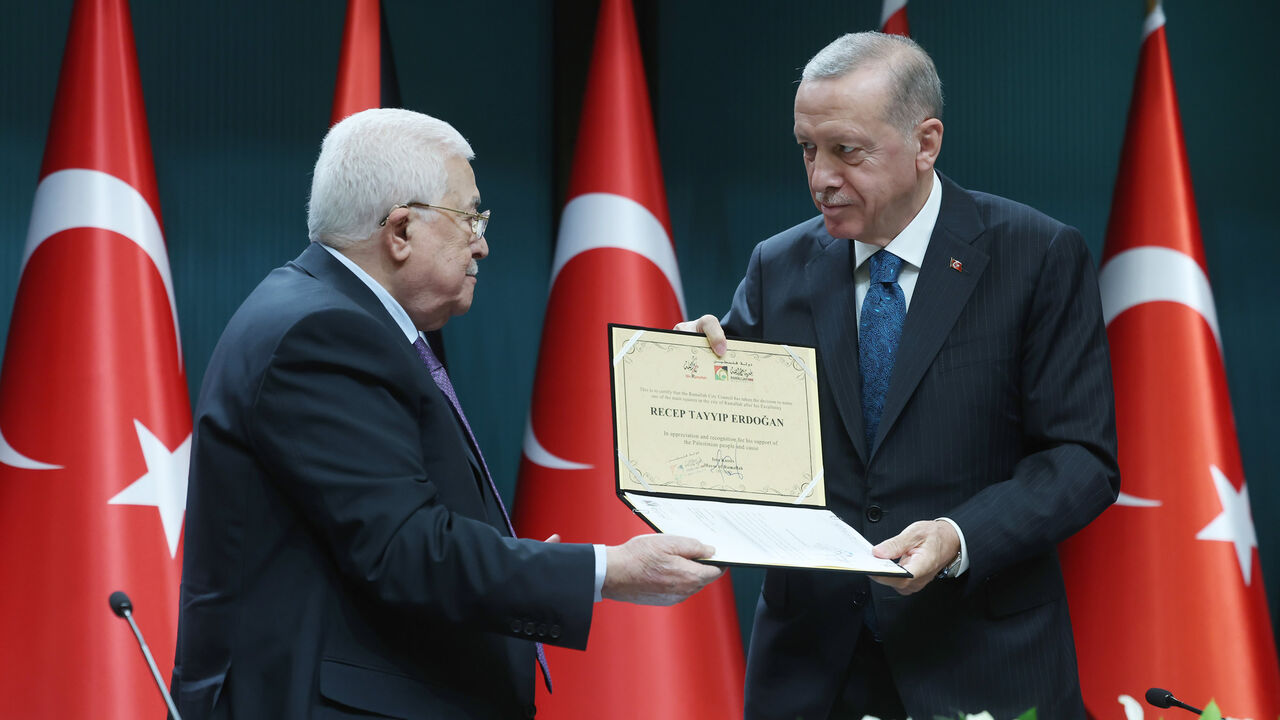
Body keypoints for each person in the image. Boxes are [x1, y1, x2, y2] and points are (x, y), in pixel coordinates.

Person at [172, 108, 722, 720]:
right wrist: (607, 570)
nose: (482, 242)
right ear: (401, 230)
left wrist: (522, 563)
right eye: (471, 217)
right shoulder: (324, 333)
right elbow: (404, 550)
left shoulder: (338, 316)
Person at [679, 32, 1119, 719]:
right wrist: (684, 384)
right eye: (806, 148)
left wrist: (959, 536)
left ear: (926, 143)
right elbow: (739, 449)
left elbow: (1082, 459)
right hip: (814, 674)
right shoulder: (777, 266)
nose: (820, 176)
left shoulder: (1036, 255)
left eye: (845, 150)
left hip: (983, 661)